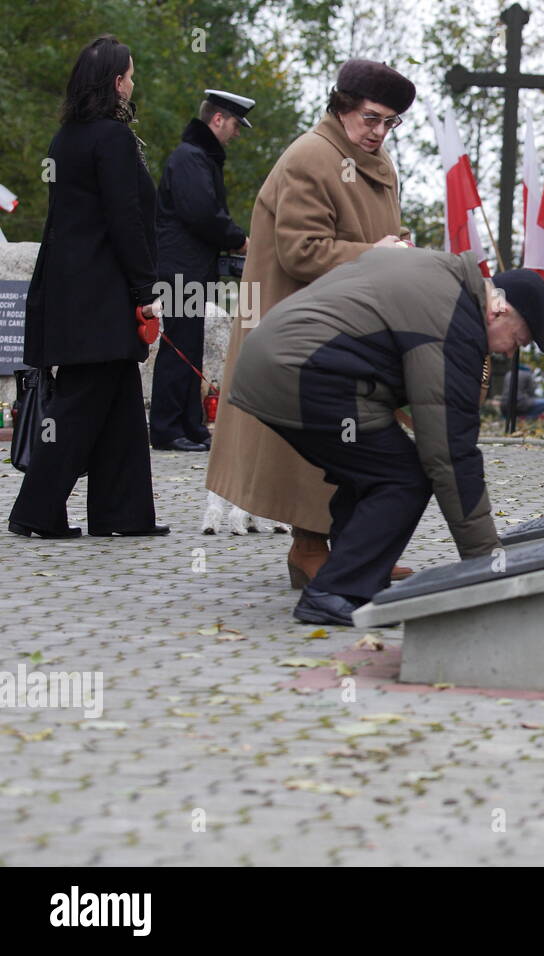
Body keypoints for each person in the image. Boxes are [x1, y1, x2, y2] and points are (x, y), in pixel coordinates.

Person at [227, 250, 544, 625]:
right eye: (518, 339)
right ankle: (335, 591)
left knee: (369, 468)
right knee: (403, 478)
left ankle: (357, 580)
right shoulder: (454, 322)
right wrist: (486, 563)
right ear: (498, 311)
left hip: (273, 361)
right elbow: (449, 453)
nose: (511, 352)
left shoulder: (438, 273)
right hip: (305, 373)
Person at [206, 59, 416, 588]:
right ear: (342, 105)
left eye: (390, 122)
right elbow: (300, 252)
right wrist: (377, 254)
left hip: (347, 323)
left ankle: (356, 550)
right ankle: (308, 549)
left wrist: (394, 249)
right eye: (371, 118)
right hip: (297, 327)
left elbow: (373, 234)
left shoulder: (377, 162)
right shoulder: (310, 157)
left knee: (360, 439)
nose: (379, 132)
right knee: (311, 448)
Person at [9, 35, 168, 539]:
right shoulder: (112, 139)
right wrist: (146, 288)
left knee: (119, 406)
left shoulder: (67, 138)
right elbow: (125, 219)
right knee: (78, 409)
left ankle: (123, 516)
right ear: (117, 82)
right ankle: (33, 513)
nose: (133, 82)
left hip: (71, 291)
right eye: (131, 74)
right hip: (102, 296)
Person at [150, 89, 255, 452]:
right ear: (218, 119)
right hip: (182, 267)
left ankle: (189, 424)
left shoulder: (196, 158)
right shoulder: (190, 158)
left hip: (191, 266)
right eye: (235, 125)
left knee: (189, 346)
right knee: (179, 348)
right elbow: (202, 213)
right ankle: (166, 428)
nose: (237, 133)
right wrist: (239, 239)